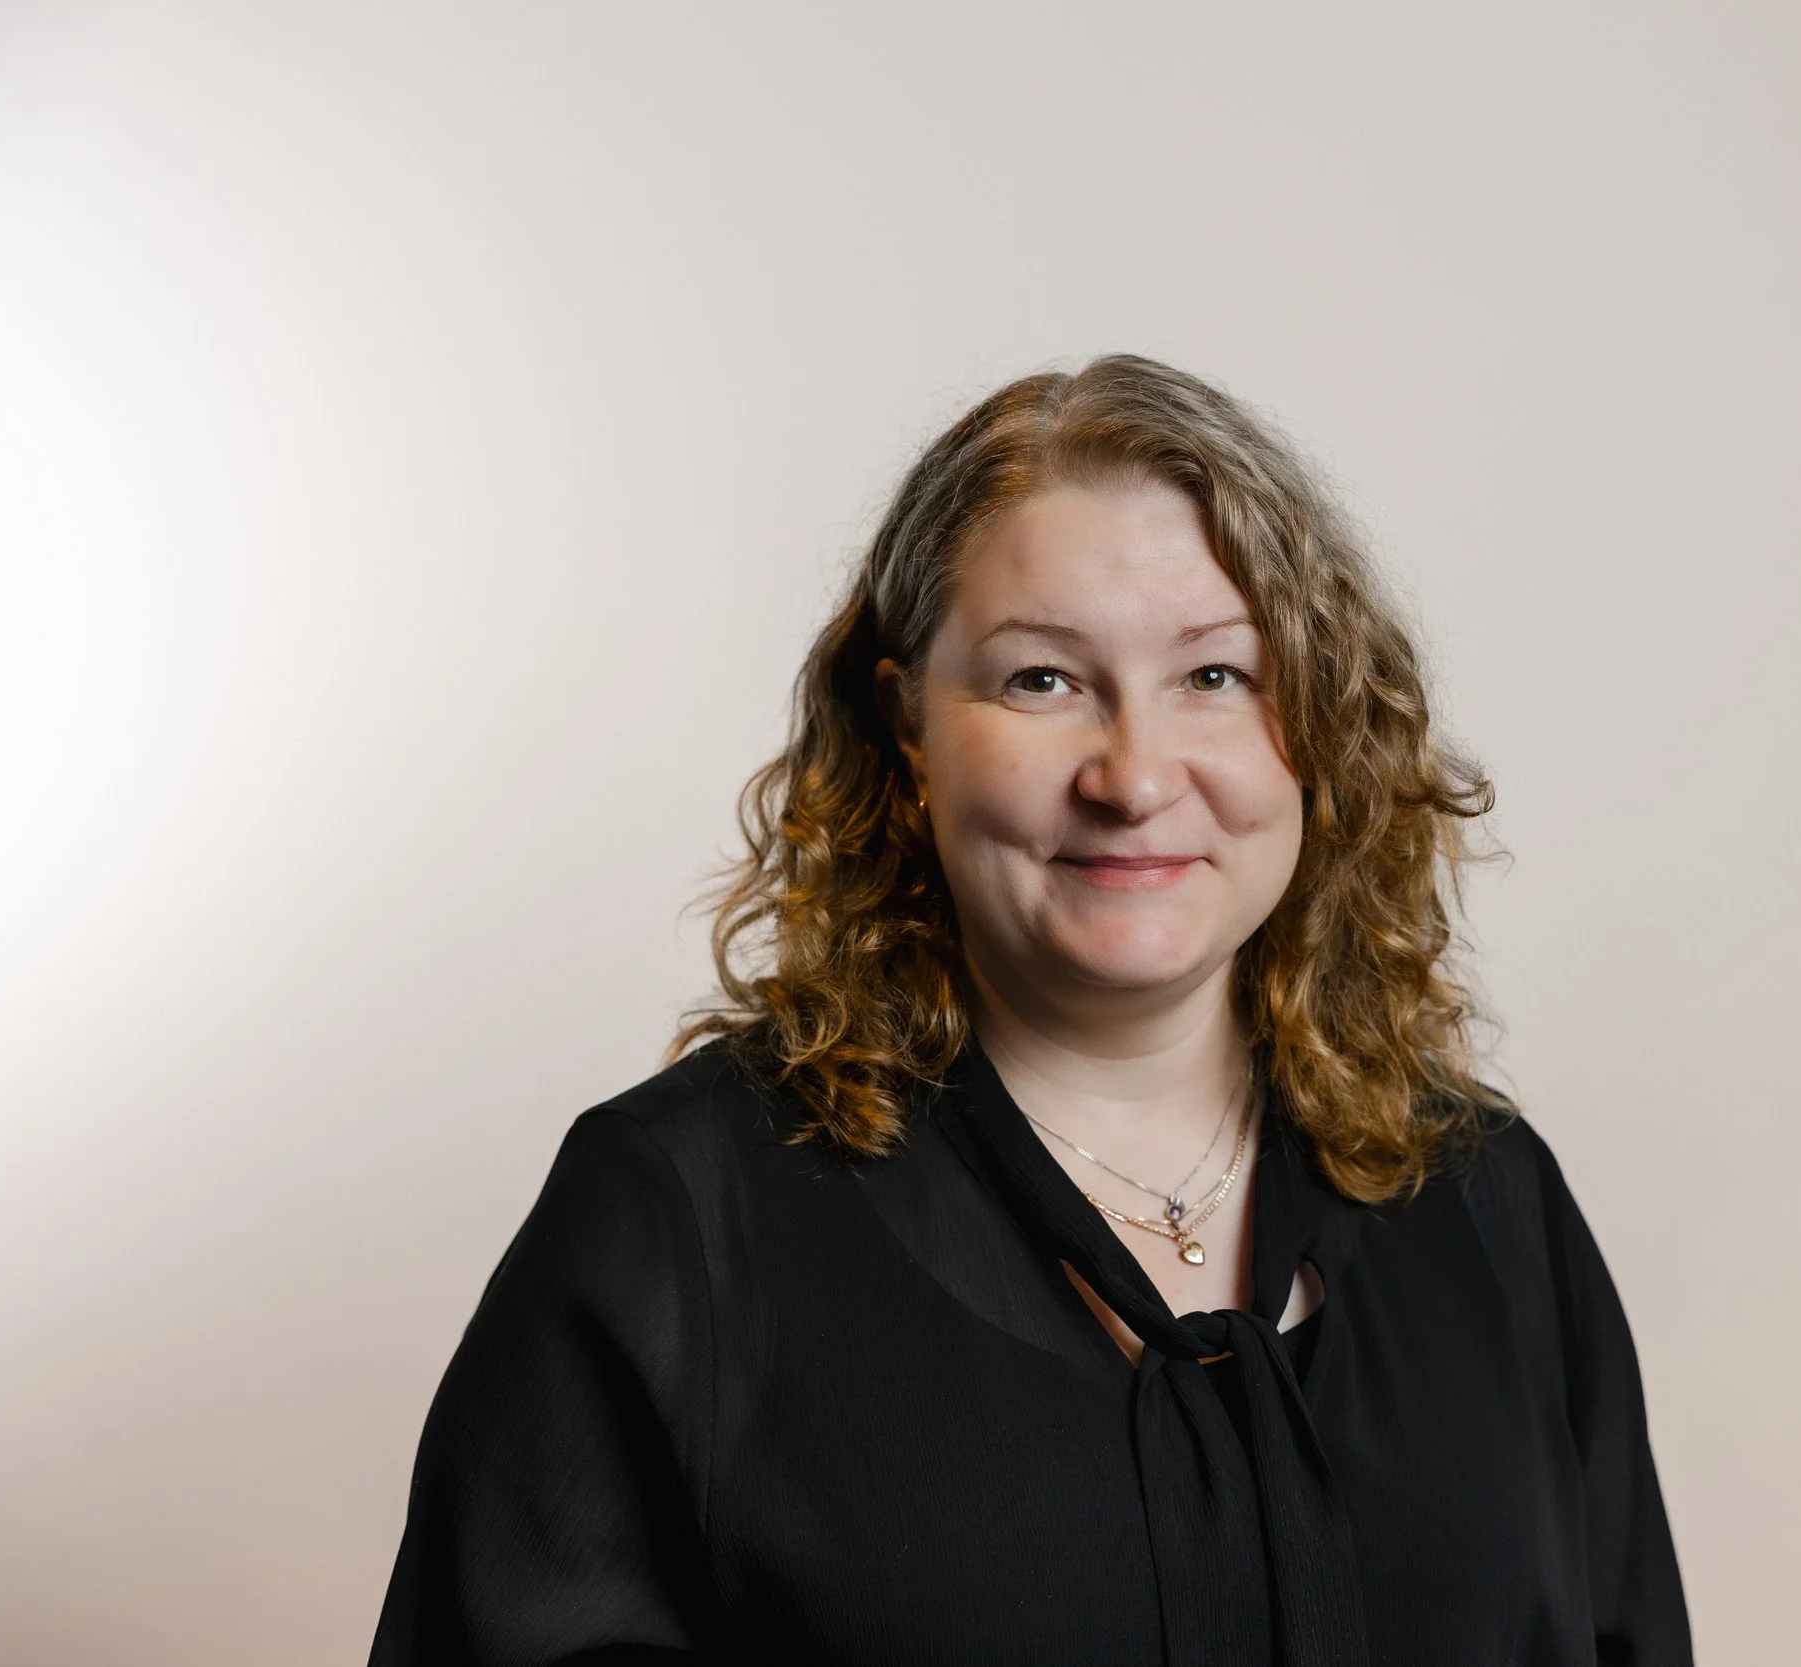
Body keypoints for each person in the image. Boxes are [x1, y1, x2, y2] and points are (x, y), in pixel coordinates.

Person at [368, 355, 1690, 1666]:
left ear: (1324, 718)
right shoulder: (676, 1219)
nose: (1134, 774)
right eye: (1041, 680)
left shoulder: (1492, 1200)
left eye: (1216, 675)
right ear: (907, 730)